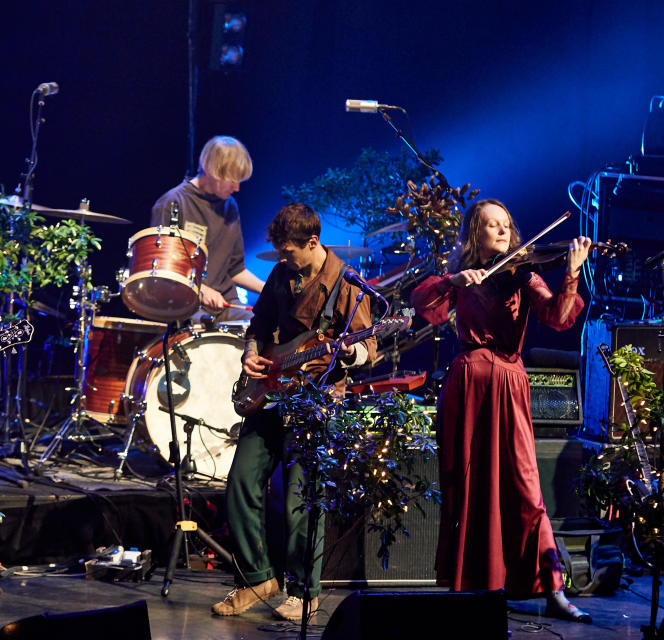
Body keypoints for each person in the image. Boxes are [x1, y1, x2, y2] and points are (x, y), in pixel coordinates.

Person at [409, 199, 592, 622]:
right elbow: (424, 303)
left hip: (509, 382)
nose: (502, 231)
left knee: (527, 488)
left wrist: (572, 272)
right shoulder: (461, 277)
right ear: (476, 234)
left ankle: (552, 589)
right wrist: (454, 279)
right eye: (492, 225)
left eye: (506, 224)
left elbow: (559, 317)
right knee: (469, 487)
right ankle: (473, 589)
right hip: (469, 381)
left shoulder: (523, 274)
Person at [212, 203, 376, 621]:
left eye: (289, 252)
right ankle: (257, 579)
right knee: (240, 485)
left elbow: (368, 351)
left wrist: (348, 351)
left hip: (316, 402)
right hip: (272, 394)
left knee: (303, 499)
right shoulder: (282, 273)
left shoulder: (347, 284)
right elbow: (259, 326)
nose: (282, 259)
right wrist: (251, 354)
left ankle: (305, 591)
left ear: (313, 243)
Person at [151, 135, 265, 323]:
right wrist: (200, 289)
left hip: (226, 305)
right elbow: (162, 268)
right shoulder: (173, 203)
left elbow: (236, 270)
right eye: (232, 180)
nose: (237, 188)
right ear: (213, 171)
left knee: (264, 329)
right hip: (184, 306)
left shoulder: (230, 207)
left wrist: (268, 288)